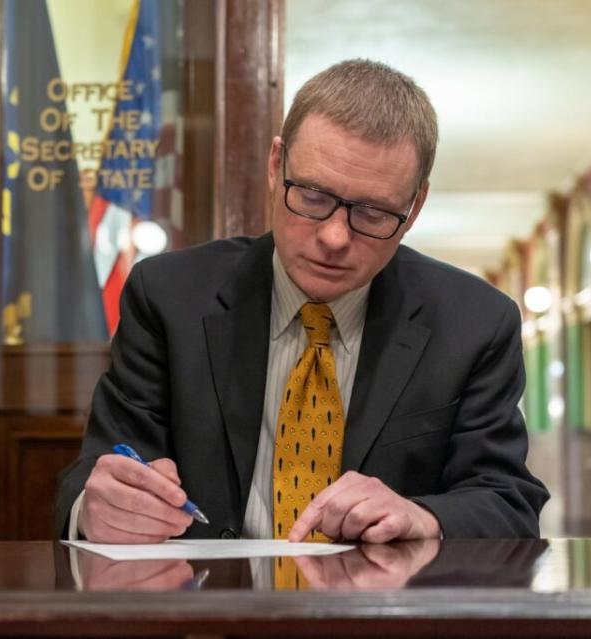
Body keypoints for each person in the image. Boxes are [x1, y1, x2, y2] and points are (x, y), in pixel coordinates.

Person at [56, 58, 548, 544]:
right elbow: (98, 475)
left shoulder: (474, 323)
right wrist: (99, 509)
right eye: (312, 196)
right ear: (276, 166)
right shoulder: (168, 297)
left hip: (380, 617)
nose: (334, 237)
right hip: (204, 609)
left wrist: (421, 516)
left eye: (373, 213)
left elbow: (506, 500)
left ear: (414, 206)